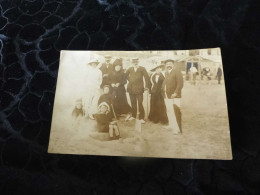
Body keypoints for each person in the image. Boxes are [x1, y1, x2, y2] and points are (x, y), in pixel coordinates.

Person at [125, 58, 151, 123]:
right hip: (131, 89)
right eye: (134, 62)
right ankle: (133, 116)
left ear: (138, 62)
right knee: (133, 103)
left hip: (139, 89)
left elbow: (147, 77)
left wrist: (147, 86)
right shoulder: (130, 69)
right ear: (132, 63)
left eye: (136, 62)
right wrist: (130, 79)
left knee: (140, 103)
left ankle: (141, 117)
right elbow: (125, 75)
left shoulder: (142, 68)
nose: (135, 63)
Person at [162, 59, 184, 134]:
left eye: (170, 64)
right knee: (169, 111)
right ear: (165, 65)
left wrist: (175, 93)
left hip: (174, 96)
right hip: (166, 95)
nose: (168, 65)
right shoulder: (166, 73)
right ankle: (171, 125)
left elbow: (180, 84)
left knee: (175, 111)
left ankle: (177, 129)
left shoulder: (177, 72)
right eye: (167, 64)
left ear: (173, 65)